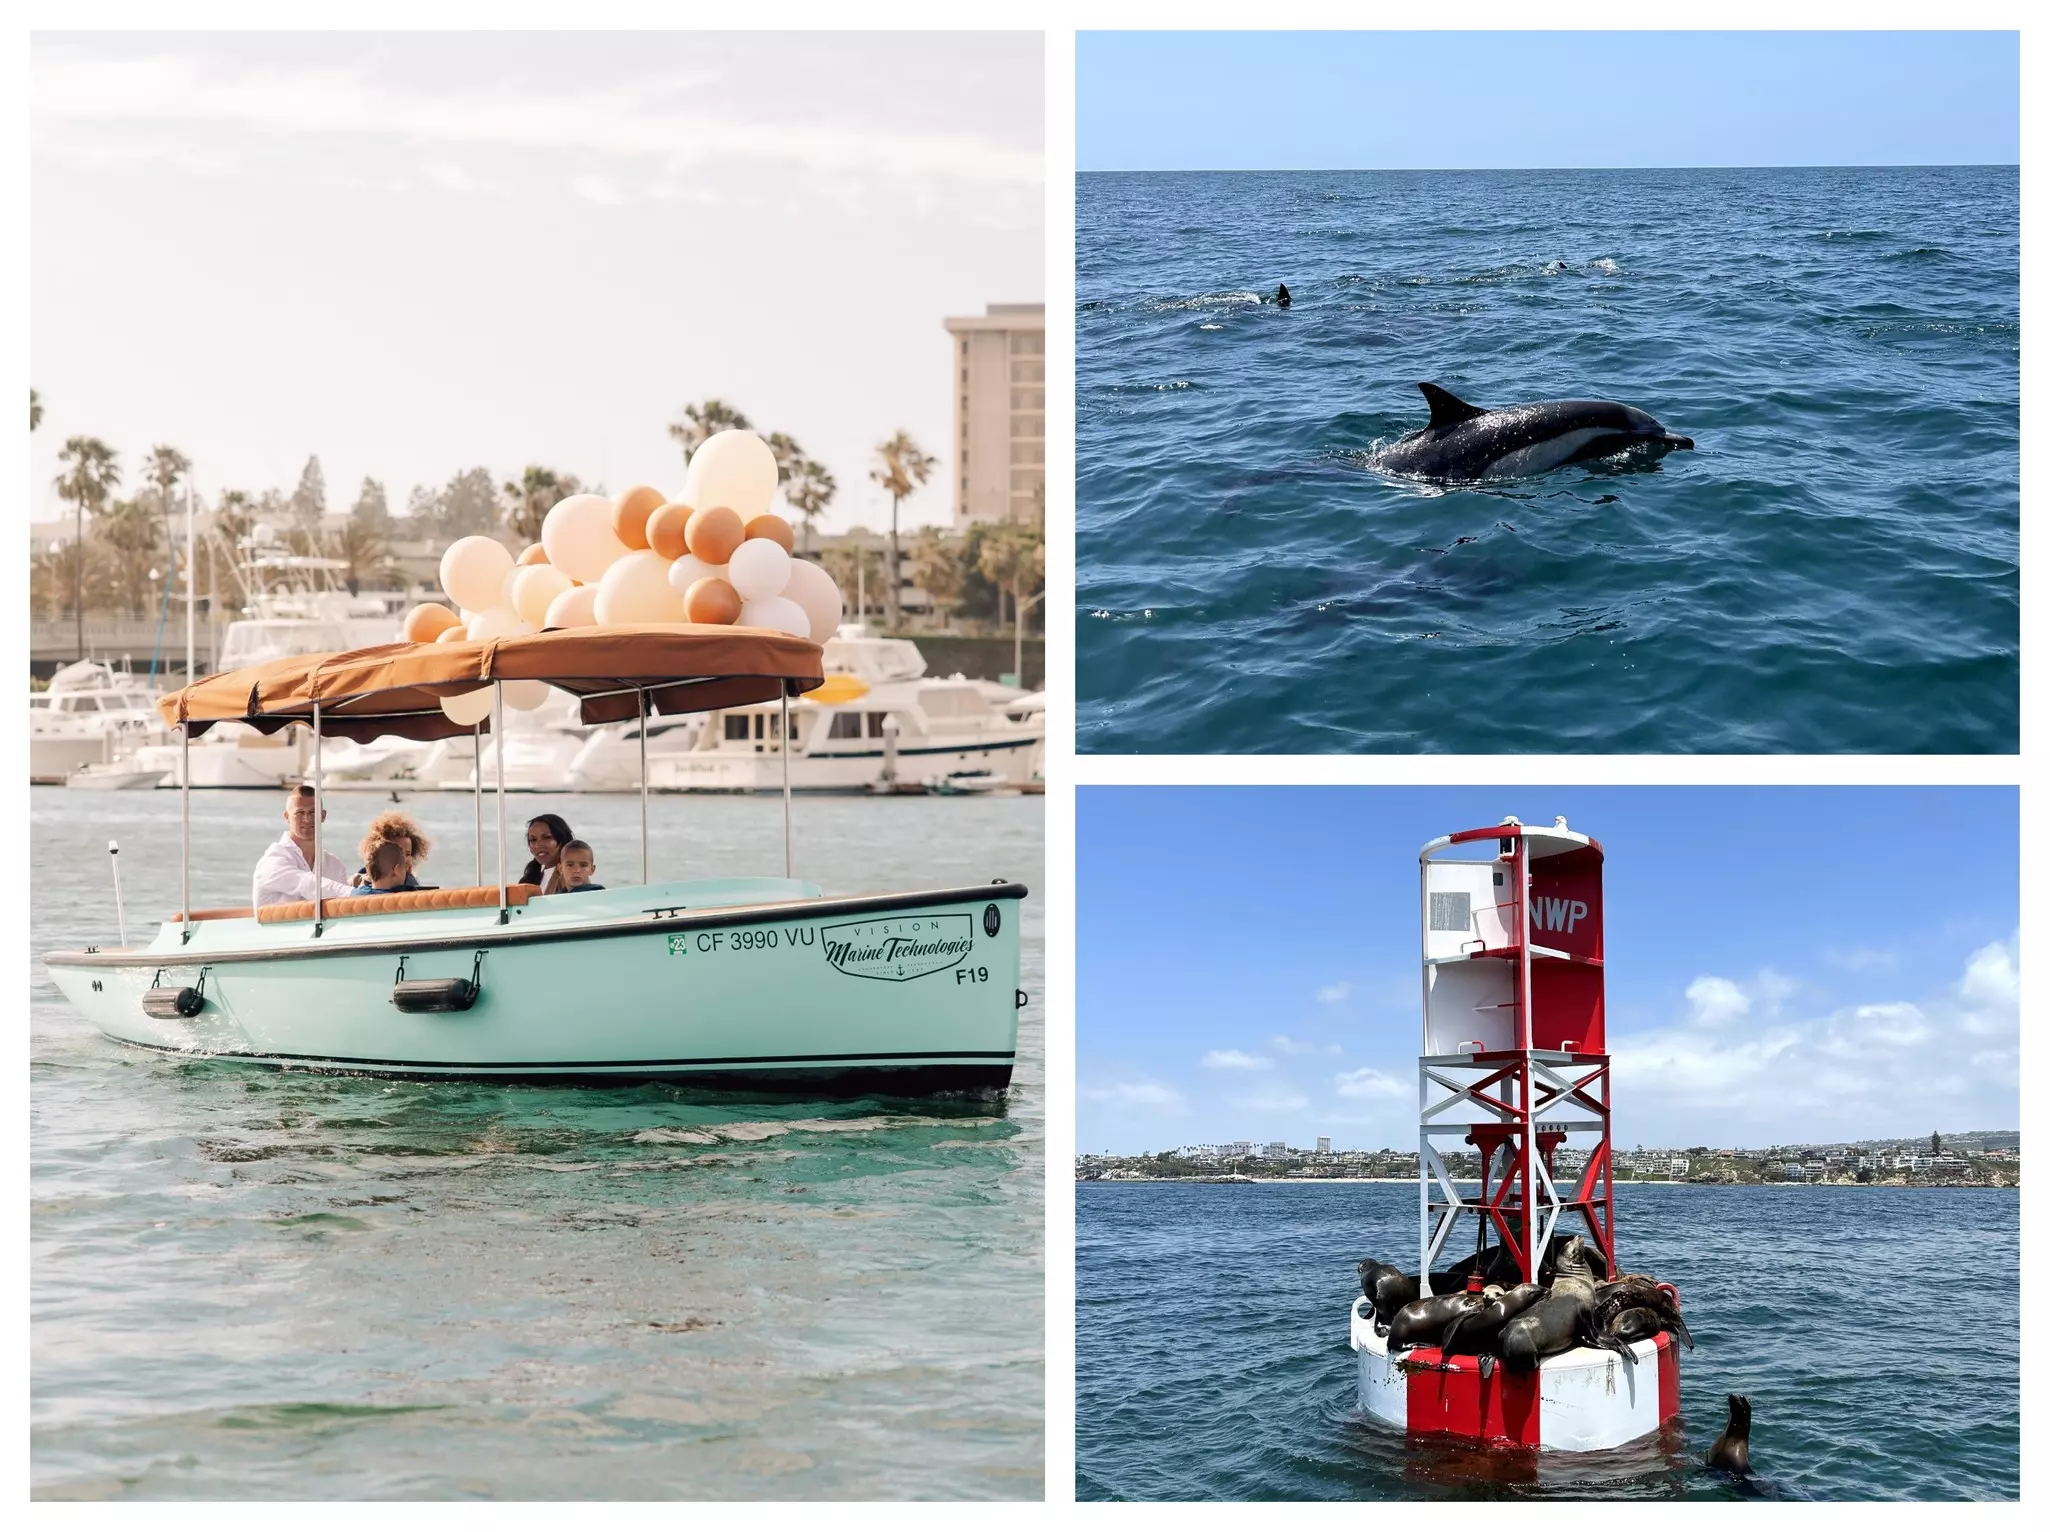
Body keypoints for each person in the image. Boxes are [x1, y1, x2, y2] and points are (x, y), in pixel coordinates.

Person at [252, 782, 355, 909]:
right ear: (287, 817)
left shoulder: (336, 865)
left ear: (323, 816)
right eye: (299, 813)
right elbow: (305, 883)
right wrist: (351, 892)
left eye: (313, 812)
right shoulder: (273, 860)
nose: (307, 819)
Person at [352, 810, 431, 890]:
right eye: (398, 852)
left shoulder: (411, 884)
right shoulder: (357, 880)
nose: (404, 859)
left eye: (407, 854)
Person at [517, 813, 575, 892]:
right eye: (533, 840)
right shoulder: (528, 881)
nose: (538, 845)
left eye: (547, 837)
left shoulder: (573, 876)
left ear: (562, 840)